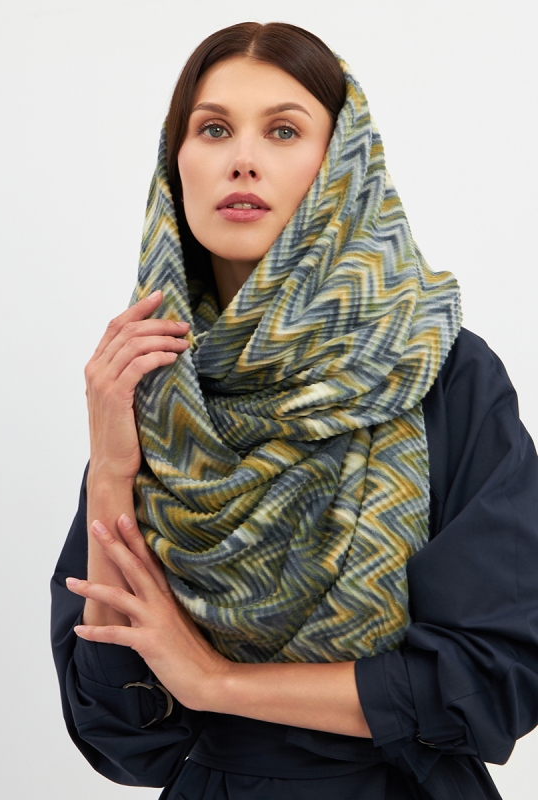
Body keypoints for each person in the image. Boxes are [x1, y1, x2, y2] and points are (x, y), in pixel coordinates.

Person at [50, 21, 538, 800]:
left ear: (341, 163)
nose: (242, 158)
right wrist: (111, 468)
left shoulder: (435, 369)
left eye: (283, 130)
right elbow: (119, 730)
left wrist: (216, 683)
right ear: (176, 164)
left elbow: (494, 682)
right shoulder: (156, 387)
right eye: (214, 129)